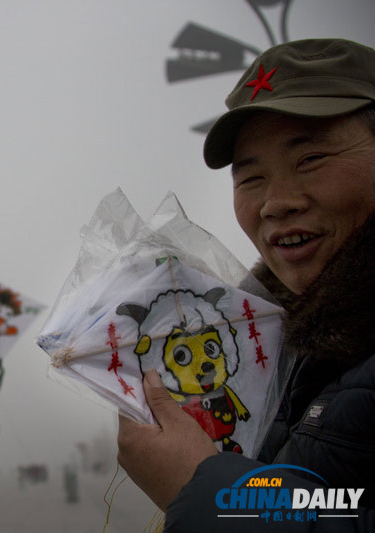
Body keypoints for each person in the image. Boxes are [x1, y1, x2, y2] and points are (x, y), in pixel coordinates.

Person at [117, 38, 375, 531]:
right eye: (251, 178)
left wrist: (212, 489)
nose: (276, 203)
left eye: (311, 159)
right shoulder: (285, 345)